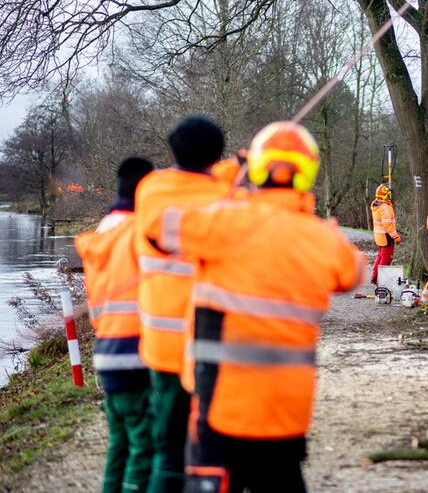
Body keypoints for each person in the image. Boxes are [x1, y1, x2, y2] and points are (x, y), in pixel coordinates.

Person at [145, 121, 365, 492]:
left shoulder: (225, 221)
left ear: (258, 168)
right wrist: (327, 234)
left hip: (218, 410)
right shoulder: (324, 241)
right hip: (285, 414)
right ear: (308, 172)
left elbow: (156, 227)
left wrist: (227, 173)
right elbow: (354, 274)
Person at [133, 115, 233, 493]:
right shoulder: (226, 198)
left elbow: (189, 186)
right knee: (211, 447)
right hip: (211, 346)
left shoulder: (149, 190)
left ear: (171, 150)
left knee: (168, 447)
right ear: (216, 154)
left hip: (161, 344)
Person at [75, 157, 155, 493]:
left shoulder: (104, 232)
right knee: (144, 444)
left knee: (119, 443)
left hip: (106, 352)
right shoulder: (139, 233)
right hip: (136, 353)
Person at [370, 183, 400, 285]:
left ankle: (374, 277)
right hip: (386, 237)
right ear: (385, 195)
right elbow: (387, 225)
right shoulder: (385, 207)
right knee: (386, 260)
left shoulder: (376, 205)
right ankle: (380, 282)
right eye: (388, 194)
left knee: (380, 257)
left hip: (380, 237)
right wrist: (396, 236)